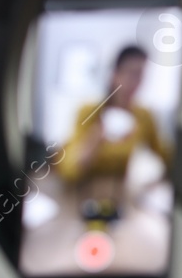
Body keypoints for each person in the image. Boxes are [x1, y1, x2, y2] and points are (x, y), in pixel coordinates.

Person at [54, 44, 174, 224]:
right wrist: (95, 139)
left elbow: (167, 158)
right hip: (80, 198)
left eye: (141, 75)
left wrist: (150, 187)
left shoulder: (144, 117)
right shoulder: (89, 113)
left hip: (121, 201)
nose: (136, 83)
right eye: (131, 74)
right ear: (114, 74)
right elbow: (69, 170)